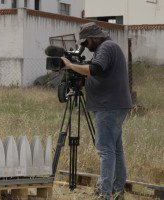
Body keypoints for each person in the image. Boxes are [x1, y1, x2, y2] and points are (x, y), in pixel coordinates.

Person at [61, 22, 132, 200]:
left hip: (109, 106)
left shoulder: (106, 47)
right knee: (115, 149)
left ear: (95, 37)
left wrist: (70, 66)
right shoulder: (109, 47)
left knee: (105, 150)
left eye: (87, 41)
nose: (86, 45)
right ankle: (116, 191)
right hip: (115, 104)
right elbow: (102, 75)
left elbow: (96, 69)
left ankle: (104, 193)